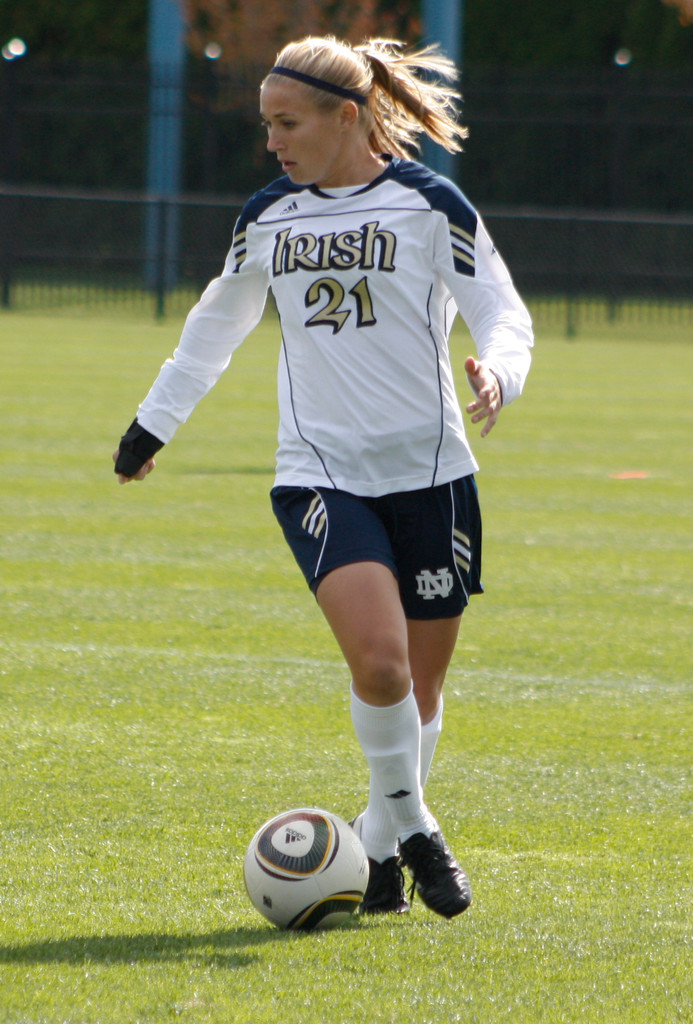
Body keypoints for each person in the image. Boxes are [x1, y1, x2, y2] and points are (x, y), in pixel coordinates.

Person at [113, 35, 533, 919]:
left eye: (287, 122)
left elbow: (501, 311)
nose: (272, 141)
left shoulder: (428, 203)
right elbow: (212, 329)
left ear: (346, 116)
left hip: (432, 476)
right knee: (379, 668)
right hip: (319, 476)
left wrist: (499, 371)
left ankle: (376, 853)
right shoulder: (269, 215)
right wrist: (153, 425)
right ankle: (418, 829)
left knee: (420, 688)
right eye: (266, 124)